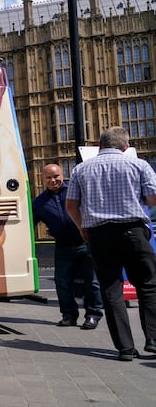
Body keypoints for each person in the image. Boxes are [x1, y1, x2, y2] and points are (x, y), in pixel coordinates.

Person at [65, 127, 156, 361]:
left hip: (99, 234)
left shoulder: (81, 169)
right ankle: (153, 341)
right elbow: (153, 197)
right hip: (133, 231)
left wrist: (82, 227)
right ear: (126, 146)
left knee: (111, 289)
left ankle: (125, 349)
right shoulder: (139, 165)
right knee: (148, 285)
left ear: (99, 144)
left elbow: (71, 205)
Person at [32, 163, 103, 329]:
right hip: (62, 246)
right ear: (42, 179)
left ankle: (93, 315)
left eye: (56, 176)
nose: (53, 180)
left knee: (91, 282)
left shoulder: (76, 191)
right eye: (48, 177)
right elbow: (30, 225)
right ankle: (69, 315)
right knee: (62, 283)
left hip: (84, 242)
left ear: (62, 175)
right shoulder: (39, 202)